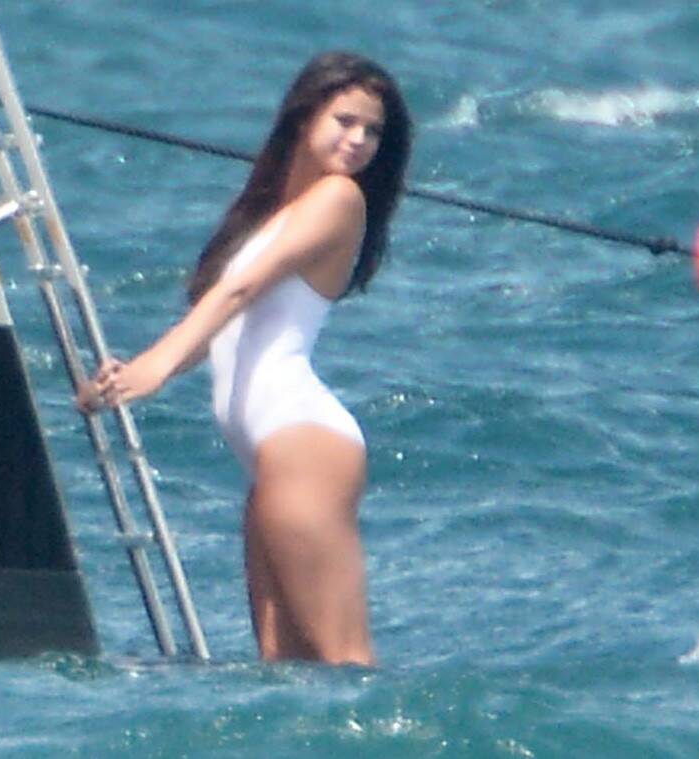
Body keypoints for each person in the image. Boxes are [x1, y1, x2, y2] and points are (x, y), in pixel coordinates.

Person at [78, 51, 412, 665]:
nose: (359, 140)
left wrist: (155, 366)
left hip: (305, 446)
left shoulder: (340, 198)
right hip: (270, 463)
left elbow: (239, 291)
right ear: (304, 117)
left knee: (346, 664)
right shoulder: (275, 215)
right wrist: (127, 376)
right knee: (283, 672)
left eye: (373, 131)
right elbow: (220, 328)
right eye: (345, 121)